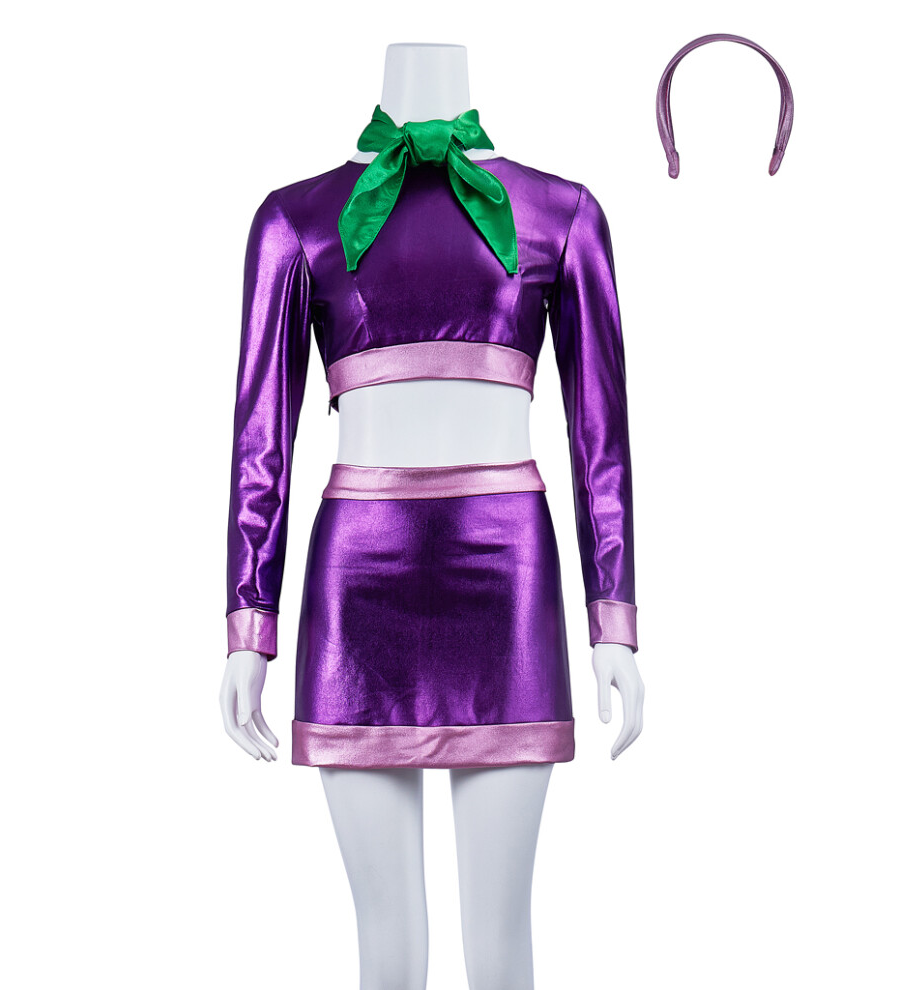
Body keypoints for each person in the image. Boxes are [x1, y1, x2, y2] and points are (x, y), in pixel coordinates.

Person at [218, 42, 645, 990]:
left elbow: (600, 434)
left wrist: (611, 618)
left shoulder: (564, 213)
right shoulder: (294, 219)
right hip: (359, 583)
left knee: (499, 942)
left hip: (507, 577)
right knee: (388, 945)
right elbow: (261, 439)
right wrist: (251, 623)